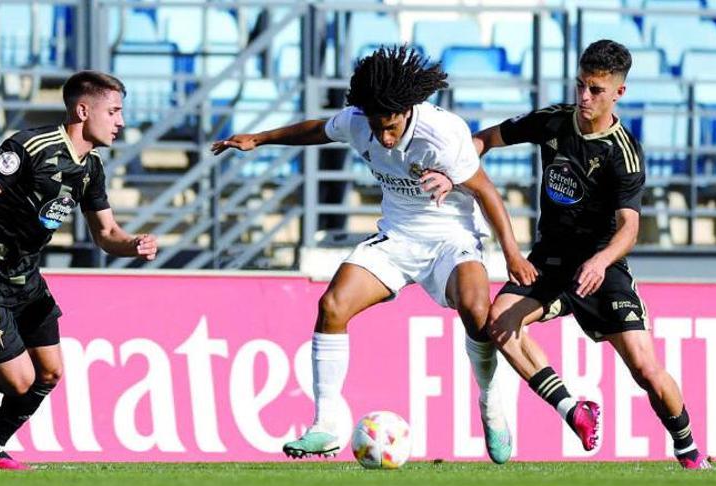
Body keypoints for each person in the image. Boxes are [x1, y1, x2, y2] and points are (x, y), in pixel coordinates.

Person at [212, 45, 537, 464]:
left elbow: (486, 192)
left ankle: (491, 402)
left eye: (390, 127)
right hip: (398, 237)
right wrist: (260, 138)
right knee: (332, 305)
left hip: (451, 239)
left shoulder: (444, 133)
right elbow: (318, 130)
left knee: (477, 312)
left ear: (407, 109)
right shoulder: (361, 120)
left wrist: (511, 253)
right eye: (376, 127)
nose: (383, 137)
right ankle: (326, 425)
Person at [472, 40, 711, 469]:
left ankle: (689, 449)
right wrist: (453, 163)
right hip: (550, 259)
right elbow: (485, 139)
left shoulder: (623, 153)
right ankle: (574, 410)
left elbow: (630, 227)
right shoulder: (554, 121)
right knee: (499, 322)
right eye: (581, 85)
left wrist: (601, 261)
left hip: (602, 267)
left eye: (595, 89)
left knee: (645, 370)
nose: (584, 96)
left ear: (618, 92)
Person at [0, 70, 158, 470]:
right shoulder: (32, 147)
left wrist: (131, 243)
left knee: (49, 373)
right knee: (18, 381)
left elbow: (106, 233)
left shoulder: (91, 168)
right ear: (83, 110)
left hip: (26, 279)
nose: (121, 122)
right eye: (114, 112)